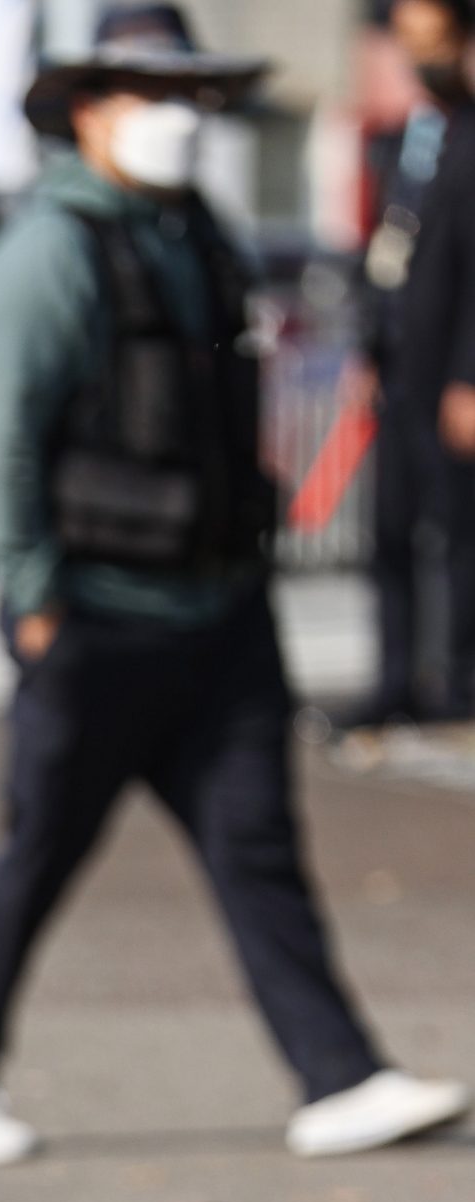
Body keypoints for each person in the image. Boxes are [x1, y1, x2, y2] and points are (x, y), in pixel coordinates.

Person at [0, 4, 469, 1169]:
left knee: (257, 846)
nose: (174, 120)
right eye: (146, 95)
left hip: (218, 609)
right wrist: (37, 595)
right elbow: (3, 442)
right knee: (41, 846)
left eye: (187, 97)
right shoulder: (50, 249)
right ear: (89, 110)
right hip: (100, 613)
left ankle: (338, 1075)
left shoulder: (197, 231)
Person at [390, 0, 475, 705]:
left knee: (457, 534)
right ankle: (400, 679)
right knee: (391, 530)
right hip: (402, 370)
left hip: (452, 375)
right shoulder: (416, 137)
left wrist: (467, 375)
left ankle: (458, 678)